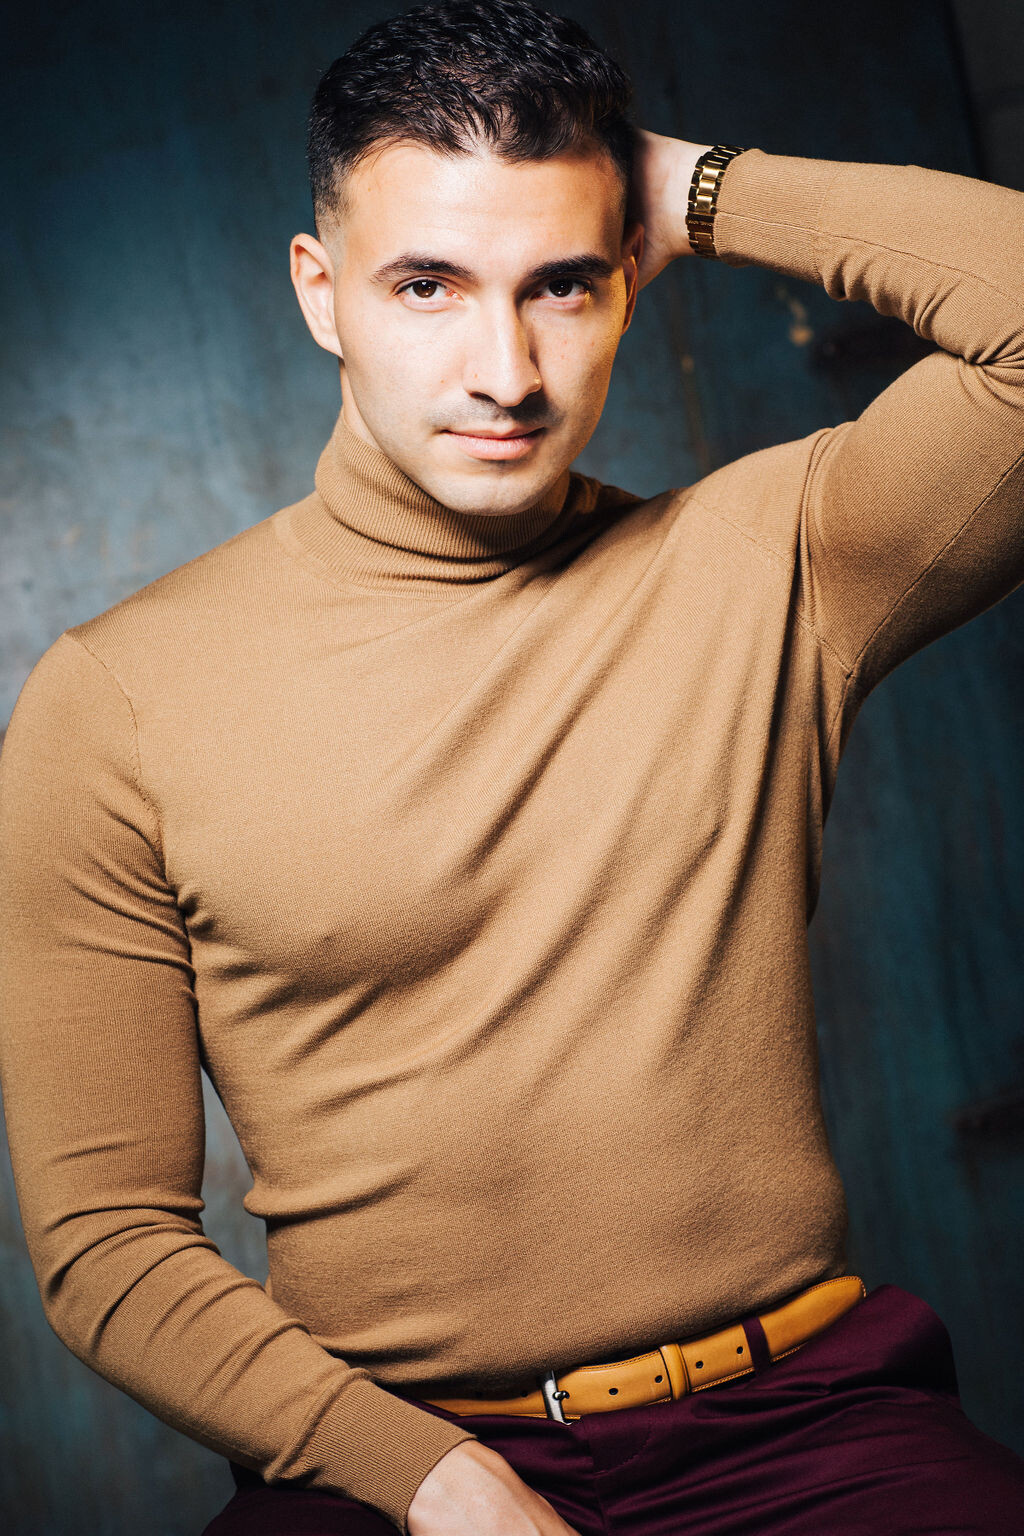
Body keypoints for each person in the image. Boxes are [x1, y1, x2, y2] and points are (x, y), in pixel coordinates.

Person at [1, 0, 1023, 1532]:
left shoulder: (769, 564)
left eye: (561, 285)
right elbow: (105, 1243)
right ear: (322, 292)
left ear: (631, 282)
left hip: (806, 1427)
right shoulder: (114, 699)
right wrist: (423, 1477)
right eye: (428, 285)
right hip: (386, 1460)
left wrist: (687, 184)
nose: (507, 369)